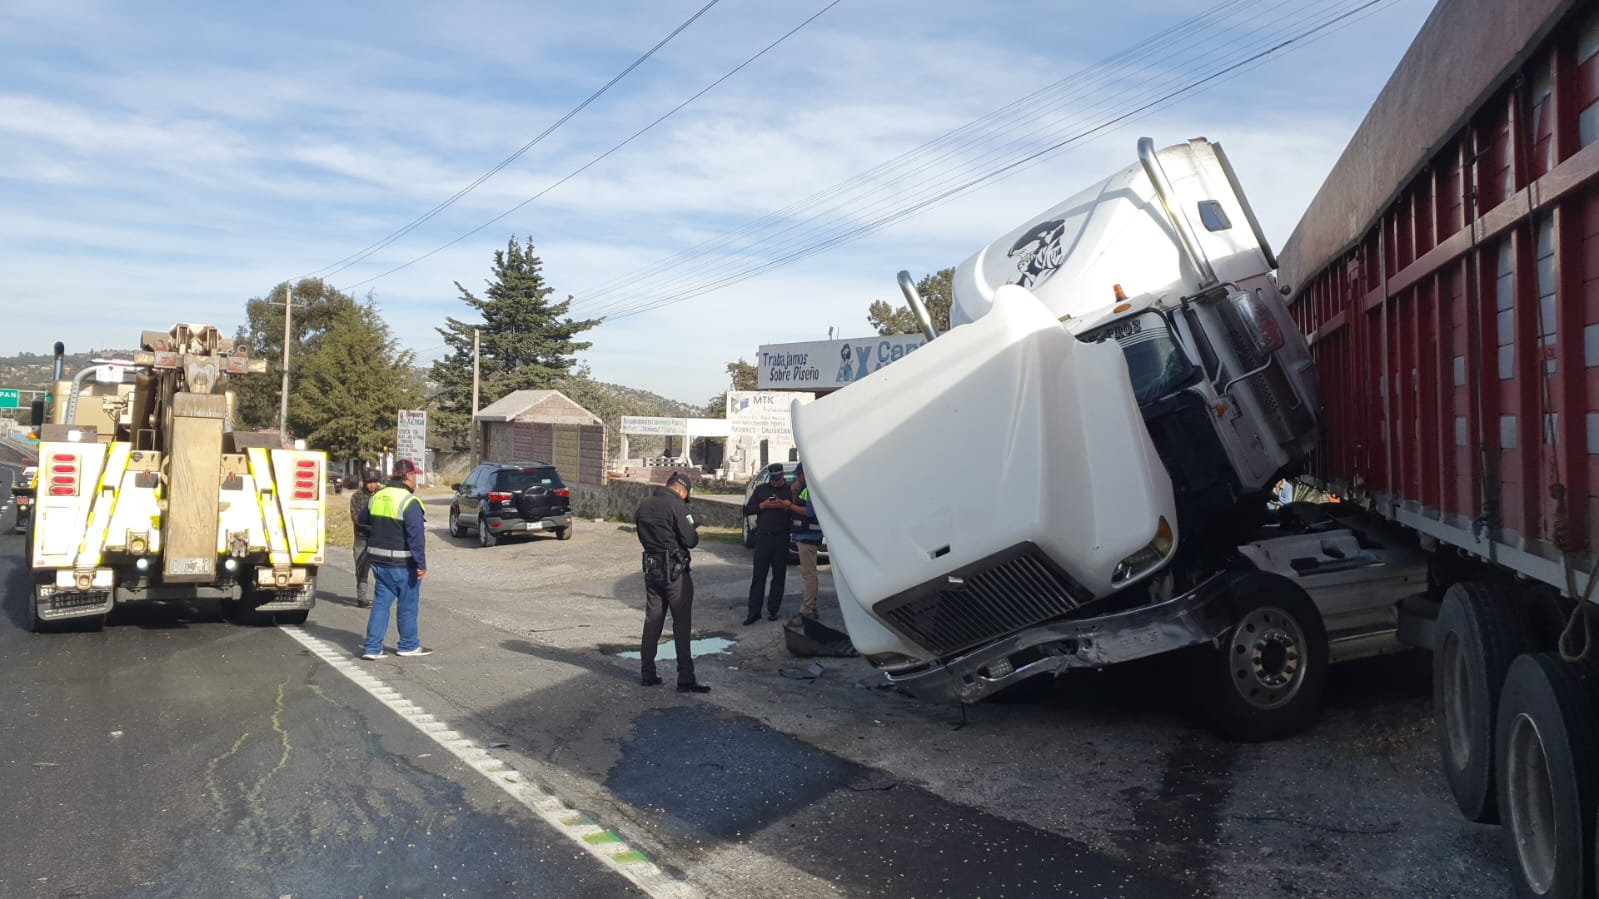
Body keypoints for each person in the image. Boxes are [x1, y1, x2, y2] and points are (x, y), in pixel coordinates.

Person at [634, 472, 710, 693]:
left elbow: (643, 534)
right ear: (682, 490)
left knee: (653, 620)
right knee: (681, 623)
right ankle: (685, 678)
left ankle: (647, 673)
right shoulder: (678, 506)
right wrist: (690, 528)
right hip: (675, 573)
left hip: (652, 569)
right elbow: (690, 540)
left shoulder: (644, 506)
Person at [358, 465, 431, 660]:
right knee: (407, 604)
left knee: (381, 604)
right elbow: (416, 537)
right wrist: (421, 564)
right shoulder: (409, 501)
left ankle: (372, 648)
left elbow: (363, 519)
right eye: (414, 476)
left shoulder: (377, 496)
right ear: (406, 477)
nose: (416, 480)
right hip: (403, 563)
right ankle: (408, 645)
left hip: (379, 561)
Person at [743, 462, 793, 625]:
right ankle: (754, 612)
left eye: (778, 478)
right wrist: (763, 505)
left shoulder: (789, 490)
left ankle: (773, 610)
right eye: (773, 479)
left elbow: (796, 510)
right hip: (763, 537)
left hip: (781, 537)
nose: (775, 481)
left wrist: (786, 505)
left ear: (782, 476)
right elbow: (747, 509)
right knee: (759, 576)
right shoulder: (761, 490)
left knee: (778, 576)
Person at [788, 463, 824, 620]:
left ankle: (807, 609)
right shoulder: (805, 489)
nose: (797, 478)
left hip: (808, 537)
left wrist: (789, 505)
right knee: (810, 574)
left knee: (809, 575)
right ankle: (812, 607)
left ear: (805, 474)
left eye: (799, 475)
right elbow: (800, 505)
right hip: (804, 536)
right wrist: (794, 494)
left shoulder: (812, 489)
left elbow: (809, 512)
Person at [349, 468, 382, 608]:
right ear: (364, 482)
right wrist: (369, 527)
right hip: (361, 537)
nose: (372, 485)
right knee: (361, 568)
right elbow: (355, 517)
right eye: (369, 482)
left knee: (380, 570)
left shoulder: (382, 495)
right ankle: (362, 598)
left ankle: (380, 599)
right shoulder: (356, 496)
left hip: (378, 539)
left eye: (375, 482)